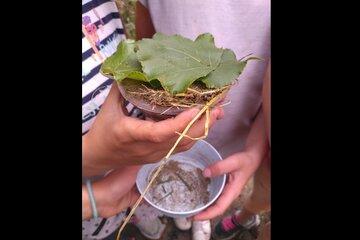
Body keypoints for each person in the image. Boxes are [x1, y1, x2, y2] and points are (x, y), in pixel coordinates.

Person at [82, 1, 222, 239]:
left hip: (118, 182)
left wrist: (98, 199)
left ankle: (149, 216)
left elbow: (126, 49)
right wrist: (92, 156)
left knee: (141, 194)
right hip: (92, 216)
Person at [135, 0, 270, 239]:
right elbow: (144, 46)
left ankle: (199, 212)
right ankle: (180, 214)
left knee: (212, 177)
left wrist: (255, 149)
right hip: (169, 130)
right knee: (172, 168)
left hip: (236, 131)